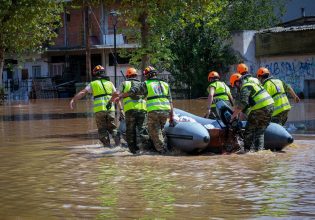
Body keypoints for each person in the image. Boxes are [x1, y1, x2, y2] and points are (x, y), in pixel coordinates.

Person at [116, 66, 173, 154]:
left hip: (152, 111)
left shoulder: (145, 83)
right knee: (159, 130)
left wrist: (120, 96)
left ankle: (162, 152)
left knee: (153, 131)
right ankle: (153, 148)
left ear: (147, 75)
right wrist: (171, 115)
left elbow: (133, 92)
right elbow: (170, 101)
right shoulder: (165, 84)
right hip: (164, 110)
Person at [69, 65, 122, 148]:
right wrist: (121, 109)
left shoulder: (93, 84)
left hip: (99, 110)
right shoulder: (110, 83)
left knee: (102, 130)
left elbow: (83, 93)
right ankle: (118, 146)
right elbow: (116, 96)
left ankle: (107, 148)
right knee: (113, 128)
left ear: (95, 74)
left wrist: (73, 99)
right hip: (110, 110)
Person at [230, 73, 274, 152]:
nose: (236, 89)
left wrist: (233, 116)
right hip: (270, 106)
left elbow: (243, 103)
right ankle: (259, 152)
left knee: (248, 131)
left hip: (261, 107)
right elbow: (247, 105)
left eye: (235, 86)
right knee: (260, 132)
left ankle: (246, 152)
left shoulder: (245, 86)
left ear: (237, 82)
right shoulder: (254, 83)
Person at [114, 67, 151, 154]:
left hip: (130, 110)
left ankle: (134, 151)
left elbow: (117, 94)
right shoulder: (142, 84)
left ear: (127, 76)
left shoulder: (124, 83)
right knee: (143, 130)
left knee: (130, 132)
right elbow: (146, 95)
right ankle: (147, 150)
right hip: (142, 109)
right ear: (136, 76)